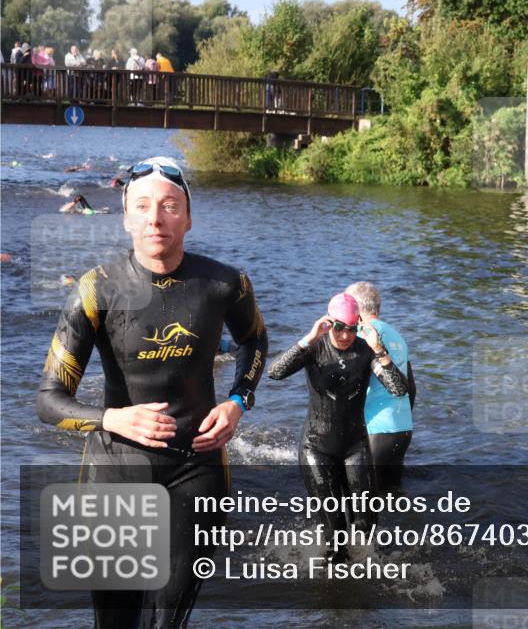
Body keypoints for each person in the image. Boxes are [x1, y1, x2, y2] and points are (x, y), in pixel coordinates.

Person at [36, 155, 268, 628]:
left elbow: (254, 341)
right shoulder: (96, 290)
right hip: (115, 469)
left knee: (169, 620)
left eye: (168, 205)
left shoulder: (226, 284)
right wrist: (111, 419)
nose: (155, 218)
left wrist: (239, 401)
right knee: (116, 622)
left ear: (187, 216)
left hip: (197, 470)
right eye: (141, 206)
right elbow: (49, 399)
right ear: (125, 217)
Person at [267, 292, 408, 556]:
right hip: (316, 448)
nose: (345, 336)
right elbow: (275, 372)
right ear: (329, 323)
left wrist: (379, 349)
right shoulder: (314, 348)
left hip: (355, 446)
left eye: (352, 328)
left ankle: (366, 585)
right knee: (336, 536)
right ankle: (335, 585)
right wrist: (309, 337)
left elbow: (399, 389)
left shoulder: (366, 352)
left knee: (366, 527)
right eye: (339, 328)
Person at [345, 281, 416, 490]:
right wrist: (400, 417)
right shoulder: (398, 336)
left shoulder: (361, 334)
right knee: (392, 497)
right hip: (402, 428)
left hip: (374, 428)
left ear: (355, 309)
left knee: (361, 501)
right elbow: (411, 388)